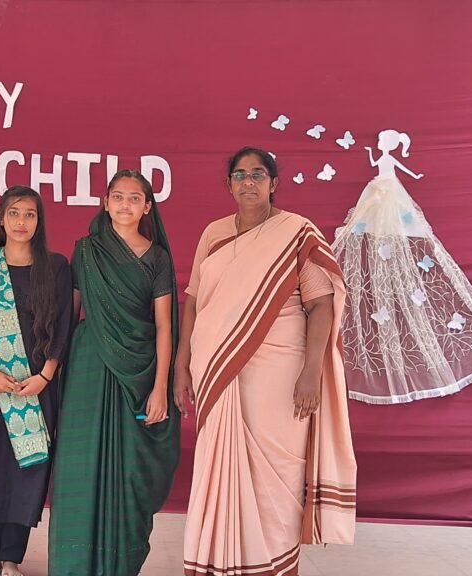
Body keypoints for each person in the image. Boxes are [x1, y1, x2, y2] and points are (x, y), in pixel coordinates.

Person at [175, 147, 357, 576]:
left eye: (258, 174)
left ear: (273, 183)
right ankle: (219, 564)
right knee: (220, 465)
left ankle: (272, 566)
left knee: (278, 472)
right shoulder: (214, 234)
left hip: (281, 373)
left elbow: (321, 304)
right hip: (217, 369)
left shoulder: (296, 232)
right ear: (229, 185)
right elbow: (194, 302)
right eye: (240, 175)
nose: (248, 182)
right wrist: (182, 365)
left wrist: (311, 372)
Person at [49, 170, 180, 576]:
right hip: (87, 366)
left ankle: (118, 562)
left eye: (134, 197)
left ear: (147, 207)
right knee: (79, 464)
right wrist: (53, 370)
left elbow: (164, 326)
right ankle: (73, 564)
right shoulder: (86, 251)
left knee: (129, 469)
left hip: (138, 372)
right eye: (117, 196)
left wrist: (160, 387)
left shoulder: (157, 258)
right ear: (105, 203)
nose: (125, 204)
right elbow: (70, 315)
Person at [334, 129, 472, 403]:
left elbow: (399, 168)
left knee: (394, 239)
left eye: (382, 143)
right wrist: (376, 157)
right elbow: (383, 166)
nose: (381, 146)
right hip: (379, 197)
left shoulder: (389, 161)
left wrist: (414, 175)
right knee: (373, 238)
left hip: (389, 198)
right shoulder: (383, 159)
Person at [0, 186, 73, 576]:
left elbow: (63, 327)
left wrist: (45, 376)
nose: (22, 222)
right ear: (2, 219)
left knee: (26, 467)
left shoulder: (55, 267)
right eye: (14, 213)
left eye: (30, 214)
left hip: (37, 386)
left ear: (39, 221)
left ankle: (11, 558)